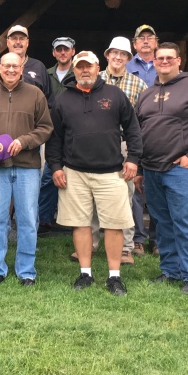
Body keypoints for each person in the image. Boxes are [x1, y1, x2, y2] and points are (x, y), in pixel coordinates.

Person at [48, 51, 142, 296]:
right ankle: (85, 273)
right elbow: (55, 138)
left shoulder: (115, 95)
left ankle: (114, 277)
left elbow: (133, 128)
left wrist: (133, 159)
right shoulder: (63, 100)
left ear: (97, 67)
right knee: (80, 224)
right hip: (74, 172)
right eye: (80, 67)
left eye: (88, 66)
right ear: (74, 70)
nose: (84, 70)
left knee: (114, 225)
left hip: (112, 172)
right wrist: (55, 167)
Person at [135, 42, 188, 295]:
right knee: (162, 223)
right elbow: (138, 132)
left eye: (169, 58)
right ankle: (171, 270)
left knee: (184, 222)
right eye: (160, 58)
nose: (164, 62)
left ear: (179, 60)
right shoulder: (146, 94)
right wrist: (138, 168)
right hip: (151, 169)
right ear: (154, 62)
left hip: (180, 169)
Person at [0, 52, 53, 286]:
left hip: (27, 168)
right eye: (6, 66)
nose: (11, 70)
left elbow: (46, 128)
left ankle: (26, 270)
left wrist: (24, 141)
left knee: (28, 220)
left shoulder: (35, 94)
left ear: (22, 67)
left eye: (15, 66)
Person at [98, 36, 148, 265]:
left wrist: (136, 155)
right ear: (107, 55)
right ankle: (90, 244)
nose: (118, 57)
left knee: (125, 196)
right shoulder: (95, 79)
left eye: (123, 54)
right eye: (114, 53)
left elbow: (143, 122)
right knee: (91, 195)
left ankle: (126, 247)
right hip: (96, 143)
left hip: (124, 144)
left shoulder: (139, 85)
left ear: (128, 58)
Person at [37, 36, 76, 235]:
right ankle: (44, 220)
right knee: (49, 176)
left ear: (72, 51)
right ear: (53, 53)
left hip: (75, 131)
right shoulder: (46, 74)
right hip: (51, 131)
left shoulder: (79, 72)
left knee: (76, 179)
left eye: (66, 49)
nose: (62, 52)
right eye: (59, 49)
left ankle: (74, 221)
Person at [127, 24, 159, 254]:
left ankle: (157, 239)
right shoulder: (126, 67)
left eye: (150, 37)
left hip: (159, 135)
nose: (146, 41)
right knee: (135, 189)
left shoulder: (165, 64)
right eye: (141, 38)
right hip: (134, 134)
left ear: (156, 42)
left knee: (157, 189)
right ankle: (138, 238)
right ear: (134, 44)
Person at [0, 26, 51, 100]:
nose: (18, 42)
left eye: (22, 39)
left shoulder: (39, 67)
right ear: (7, 42)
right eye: (14, 38)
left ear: (27, 42)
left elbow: (49, 100)